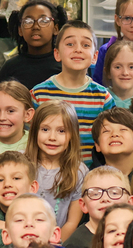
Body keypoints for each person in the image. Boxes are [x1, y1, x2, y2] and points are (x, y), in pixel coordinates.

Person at [31, 20, 114, 162]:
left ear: (95, 57)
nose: (78, 49)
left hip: (89, 177)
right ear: (57, 54)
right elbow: (30, 140)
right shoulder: (38, 95)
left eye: (86, 45)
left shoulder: (103, 98)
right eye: (70, 44)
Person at [25, 100, 88, 240]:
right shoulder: (21, 163)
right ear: (35, 131)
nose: (52, 137)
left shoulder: (79, 171)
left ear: (72, 135)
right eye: (45, 129)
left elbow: (72, 223)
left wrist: (53, 247)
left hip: (56, 246)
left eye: (61, 131)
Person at [63, 166, 133, 248]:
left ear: (130, 202)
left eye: (115, 193)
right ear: (83, 205)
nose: (105, 199)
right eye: (95, 194)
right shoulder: (75, 246)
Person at [0, 0, 66, 91]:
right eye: (28, 21)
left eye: (43, 21)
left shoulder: (65, 65)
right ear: (20, 30)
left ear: (56, 28)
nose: (35, 26)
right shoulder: (9, 68)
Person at [91, 108, 133, 178]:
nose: (114, 134)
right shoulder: (91, 179)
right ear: (97, 145)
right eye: (106, 131)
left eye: (123, 129)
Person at [101, 39, 133, 108]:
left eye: (131, 67)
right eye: (118, 67)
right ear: (108, 72)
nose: (125, 73)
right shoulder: (100, 99)